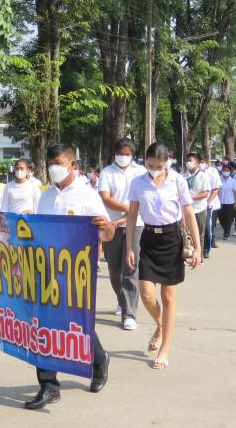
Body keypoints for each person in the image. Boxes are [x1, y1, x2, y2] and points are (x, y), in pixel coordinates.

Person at [25, 143, 114, 410]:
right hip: (46, 268)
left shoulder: (87, 195)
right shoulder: (45, 195)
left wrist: (106, 226)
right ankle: (49, 386)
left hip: (77, 272)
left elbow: (107, 234)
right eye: (50, 162)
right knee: (42, 323)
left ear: (73, 164)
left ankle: (99, 360)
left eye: (59, 163)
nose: (54, 167)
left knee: (74, 321)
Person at [125, 143, 201, 370]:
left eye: (158, 166)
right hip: (149, 238)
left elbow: (188, 213)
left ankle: (165, 348)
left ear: (167, 161)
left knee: (168, 296)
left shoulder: (177, 180)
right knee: (146, 293)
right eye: (149, 165)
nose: (154, 169)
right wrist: (129, 246)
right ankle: (160, 325)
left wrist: (197, 247)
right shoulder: (138, 182)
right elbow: (132, 214)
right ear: (145, 161)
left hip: (171, 239)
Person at [97, 138, 146, 330]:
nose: (123, 157)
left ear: (133, 155)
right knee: (114, 269)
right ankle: (121, 299)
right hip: (112, 226)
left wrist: (132, 214)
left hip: (136, 225)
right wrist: (128, 208)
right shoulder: (107, 172)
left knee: (131, 268)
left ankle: (129, 314)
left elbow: (143, 199)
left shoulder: (141, 172)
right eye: (120, 153)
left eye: (127, 154)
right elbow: (105, 198)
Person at [184, 153, 211, 257]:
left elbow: (205, 193)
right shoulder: (183, 176)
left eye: (190, 161)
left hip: (199, 209)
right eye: (187, 161)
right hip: (186, 209)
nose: (188, 163)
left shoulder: (203, 176)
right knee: (186, 233)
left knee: (199, 234)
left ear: (197, 163)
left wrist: (192, 198)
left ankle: (199, 255)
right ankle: (188, 253)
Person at [217, 162, 236, 240]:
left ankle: (227, 233)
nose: (226, 171)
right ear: (222, 171)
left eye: (227, 170)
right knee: (221, 218)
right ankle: (225, 229)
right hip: (220, 203)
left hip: (230, 203)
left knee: (228, 218)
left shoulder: (233, 181)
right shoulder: (219, 179)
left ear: (230, 172)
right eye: (224, 170)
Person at [204, 158, 221, 255]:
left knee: (209, 225)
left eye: (202, 162)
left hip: (210, 204)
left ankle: (207, 248)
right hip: (195, 205)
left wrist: (208, 201)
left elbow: (216, 189)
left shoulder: (212, 171)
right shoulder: (190, 172)